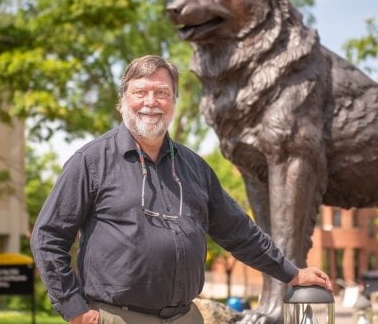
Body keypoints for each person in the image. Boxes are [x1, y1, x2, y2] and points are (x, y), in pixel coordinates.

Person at [30, 55, 332, 324]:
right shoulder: (91, 161)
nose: (151, 102)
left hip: (186, 316)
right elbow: (48, 236)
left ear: (174, 102)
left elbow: (239, 231)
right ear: (122, 101)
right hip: (115, 316)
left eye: (162, 93)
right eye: (140, 93)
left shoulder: (195, 168)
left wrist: (292, 273)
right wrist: (73, 308)